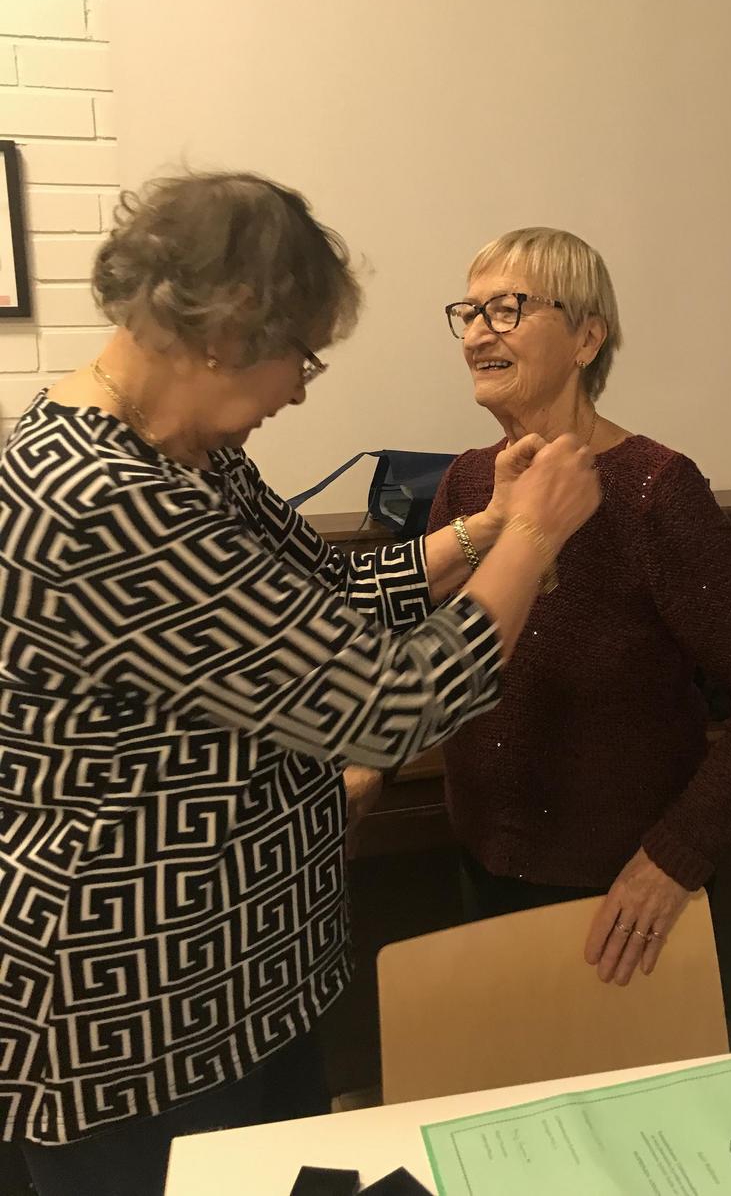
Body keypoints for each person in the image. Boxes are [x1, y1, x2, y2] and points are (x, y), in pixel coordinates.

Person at [0, 177, 600, 1196]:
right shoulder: (97, 496)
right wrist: (535, 538)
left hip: (242, 971)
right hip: (142, 1012)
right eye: (303, 357)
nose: (301, 392)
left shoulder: (189, 456)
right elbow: (394, 703)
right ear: (228, 332)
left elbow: (323, 593)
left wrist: (485, 528)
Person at [429, 226, 731, 988]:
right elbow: (437, 647)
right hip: (480, 856)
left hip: (612, 899)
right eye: (468, 313)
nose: (476, 334)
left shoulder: (653, 489)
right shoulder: (469, 481)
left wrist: (676, 856)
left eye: (506, 309)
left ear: (587, 337)